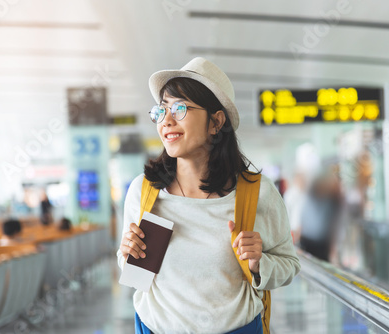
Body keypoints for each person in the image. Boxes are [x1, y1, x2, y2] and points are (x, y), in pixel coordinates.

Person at [117, 57, 300, 334]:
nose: (166, 121)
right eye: (161, 111)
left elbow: (289, 265)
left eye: (179, 108)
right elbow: (132, 271)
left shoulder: (256, 193)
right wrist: (127, 253)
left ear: (216, 122)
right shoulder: (144, 191)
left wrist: (258, 263)